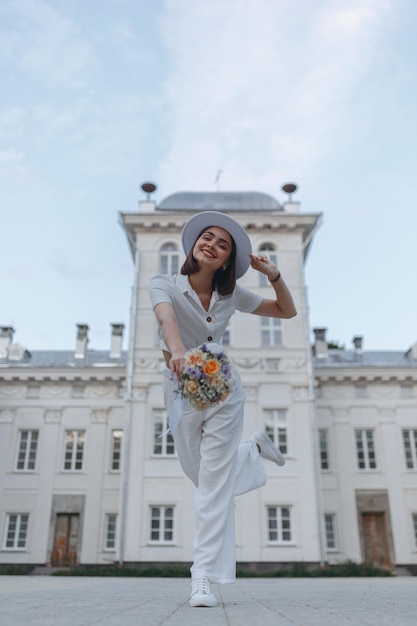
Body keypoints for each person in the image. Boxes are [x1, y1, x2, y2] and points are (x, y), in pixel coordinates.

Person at [148, 211, 297, 608]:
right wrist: (178, 351)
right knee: (200, 475)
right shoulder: (163, 283)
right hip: (181, 388)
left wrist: (274, 275)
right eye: (207, 237)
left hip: (222, 386)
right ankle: (250, 452)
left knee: (212, 487)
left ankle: (202, 578)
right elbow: (165, 317)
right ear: (195, 244)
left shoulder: (232, 295)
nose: (211, 244)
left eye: (222, 243)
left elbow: (286, 312)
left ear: (227, 260)